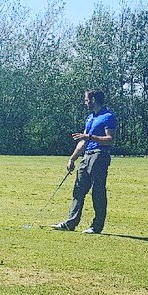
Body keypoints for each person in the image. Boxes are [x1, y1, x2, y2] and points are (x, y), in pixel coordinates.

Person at [53, 89, 118, 234]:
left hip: (99, 155)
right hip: (86, 156)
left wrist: (90, 137)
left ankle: (96, 226)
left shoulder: (108, 117)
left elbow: (110, 140)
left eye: (86, 100)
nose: (85, 102)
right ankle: (71, 223)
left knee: (97, 191)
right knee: (78, 190)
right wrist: (72, 159)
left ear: (93, 99)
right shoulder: (90, 118)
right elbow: (82, 141)